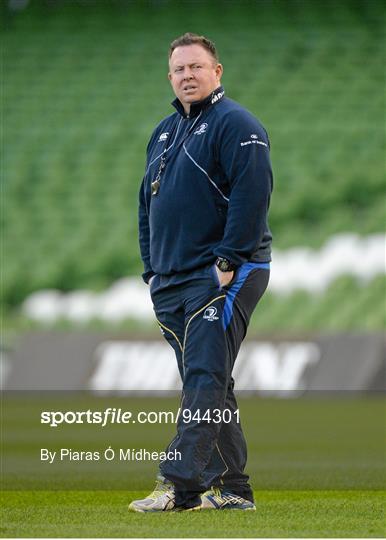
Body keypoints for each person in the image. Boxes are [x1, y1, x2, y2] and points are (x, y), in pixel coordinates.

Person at [130, 32, 273, 512]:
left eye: (196, 66)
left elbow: (253, 195)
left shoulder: (237, 124)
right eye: (179, 69)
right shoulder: (164, 132)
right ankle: (233, 490)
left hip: (222, 274)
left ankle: (178, 484)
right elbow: (147, 203)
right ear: (169, 77)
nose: (187, 75)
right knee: (210, 384)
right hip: (171, 282)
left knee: (204, 380)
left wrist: (229, 259)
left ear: (217, 72)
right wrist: (152, 271)